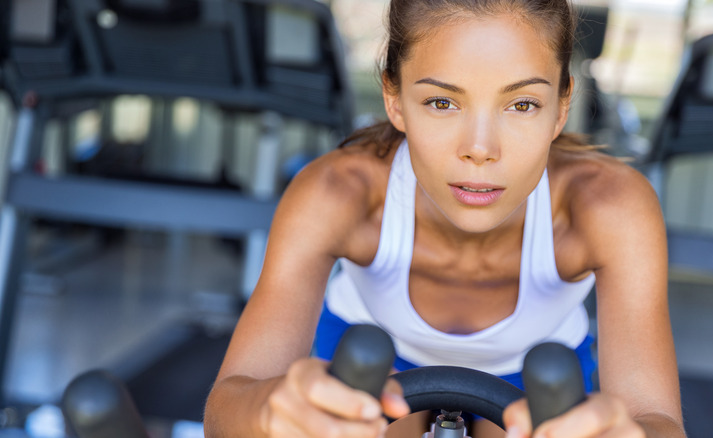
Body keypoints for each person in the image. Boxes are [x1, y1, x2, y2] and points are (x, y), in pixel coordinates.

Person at [203, 0, 686, 437]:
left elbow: (658, 421)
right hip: (370, 353)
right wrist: (270, 409)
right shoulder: (335, 193)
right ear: (394, 99)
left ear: (561, 108)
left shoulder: (611, 206)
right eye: (442, 102)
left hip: (537, 369)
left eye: (522, 104)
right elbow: (226, 407)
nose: (480, 149)